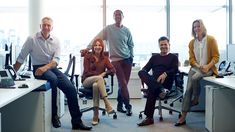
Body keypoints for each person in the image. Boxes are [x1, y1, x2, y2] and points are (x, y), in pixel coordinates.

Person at [13, 17, 92, 130]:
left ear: (52, 28)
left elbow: (56, 61)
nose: (46, 27)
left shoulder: (56, 41)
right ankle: (54, 115)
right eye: (44, 25)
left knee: (71, 89)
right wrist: (12, 74)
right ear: (40, 26)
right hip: (38, 68)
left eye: (48, 25)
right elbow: (21, 57)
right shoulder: (32, 39)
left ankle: (76, 121)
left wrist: (45, 68)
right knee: (53, 79)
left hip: (51, 67)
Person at [80, 9, 134, 116]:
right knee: (123, 83)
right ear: (113, 17)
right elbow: (97, 38)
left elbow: (131, 45)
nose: (117, 16)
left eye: (119, 14)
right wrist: (88, 48)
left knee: (123, 84)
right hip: (115, 60)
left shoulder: (127, 30)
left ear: (123, 16)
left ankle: (119, 105)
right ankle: (128, 106)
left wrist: (131, 57)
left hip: (127, 60)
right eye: (115, 15)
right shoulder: (109, 29)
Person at [175, 19, 220, 126]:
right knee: (188, 90)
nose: (196, 28)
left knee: (195, 78)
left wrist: (207, 66)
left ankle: (195, 99)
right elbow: (191, 59)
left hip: (208, 69)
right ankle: (183, 117)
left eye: (198, 26)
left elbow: (216, 56)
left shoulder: (211, 39)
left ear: (203, 27)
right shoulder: (192, 43)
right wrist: (198, 66)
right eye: (194, 27)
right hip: (196, 68)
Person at [137, 36, 178, 126]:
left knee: (152, 89)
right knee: (141, 72)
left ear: (169, 45)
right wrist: (143, 76)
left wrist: (165, 74)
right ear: (159, 46)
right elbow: (145, 69)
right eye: (161, 44)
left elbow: (175, 70)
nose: (163, 46)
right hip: (156, 83)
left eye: (165, 44)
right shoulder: (154, 58)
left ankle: (149, 118)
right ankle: (159, 90)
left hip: (166, 83)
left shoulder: (173, 57)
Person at [82, 38, 116, 125]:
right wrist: (98, 76)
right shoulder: (87, 57)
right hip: (87, 80)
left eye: (99, 45)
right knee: (99, 79)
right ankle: (107, 103)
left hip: (98, 82)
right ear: (93, 47)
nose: (98, 47)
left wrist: (104, 73)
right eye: (96, 45)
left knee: (96, 85)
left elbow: (113, 70)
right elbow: (86, 72)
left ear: (102, 47)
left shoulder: (105, 59)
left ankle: (95, 115)